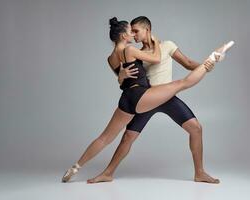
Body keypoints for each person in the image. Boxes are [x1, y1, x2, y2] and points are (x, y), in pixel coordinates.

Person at [61, 17, 230, 183]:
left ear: (147, 30)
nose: (133, 35)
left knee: (196, 128)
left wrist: (203, 67)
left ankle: (199, 172)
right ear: (124, 36)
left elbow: (187, 62)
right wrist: (121, 76)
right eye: (131, 32)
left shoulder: (166, 46)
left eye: (136, 31)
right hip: (146, 97)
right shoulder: (137, 53)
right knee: (128, 136)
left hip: (158, 98)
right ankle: (107, 173)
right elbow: (131, 74)